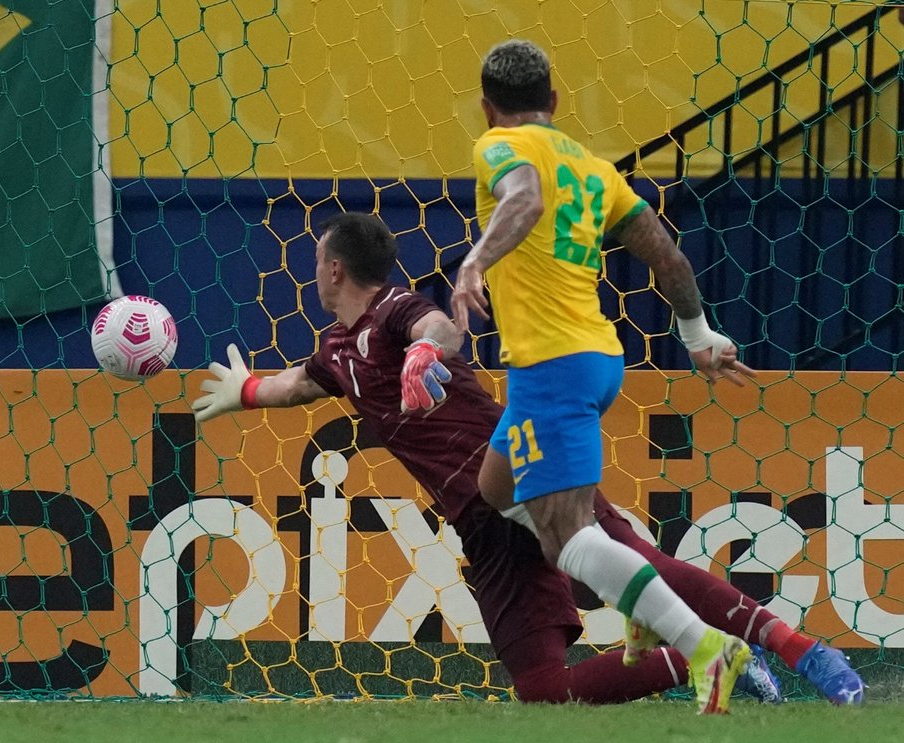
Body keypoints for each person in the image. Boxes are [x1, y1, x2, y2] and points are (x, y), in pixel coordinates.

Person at [192, 212, 860, 707]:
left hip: (520, 465)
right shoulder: (336, 349)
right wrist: (242, 391)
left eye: (316, 261)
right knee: (542, 691)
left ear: (334, 267)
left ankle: (796, 649)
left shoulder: (398, 310)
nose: (314, 271)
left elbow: (440, 326)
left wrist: (426, 351)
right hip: (478, 521)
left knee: (651, 566)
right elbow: (295, 387)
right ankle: (697, 658)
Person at [449, 39, 864, 711]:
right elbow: (667, 256)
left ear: (486, 109)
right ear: (554, 101)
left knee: (569, 539)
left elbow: (521, 200)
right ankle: (639, 597)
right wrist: (699, 336)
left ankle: (706, 645)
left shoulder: (498, 147)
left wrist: (474, 261)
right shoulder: (593, 170)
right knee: (494, 489)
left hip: (551, 365)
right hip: (598, 359)